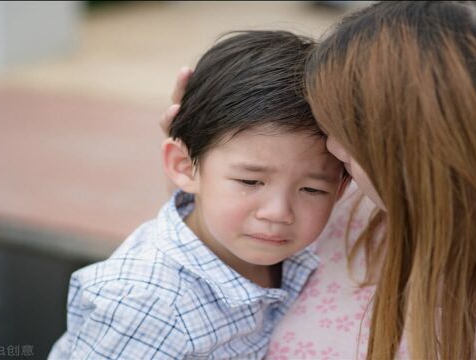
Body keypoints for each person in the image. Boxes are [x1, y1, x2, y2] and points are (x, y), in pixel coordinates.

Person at [163, 2, 476, 359]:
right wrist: (212, 161)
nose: (332, 150)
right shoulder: (349, 202)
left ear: (432, 166)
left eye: (355, 135)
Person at [49, 30, 348, 359]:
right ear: (184, 167)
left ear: (342, 187)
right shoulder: (147, 306)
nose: (279, 212)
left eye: (312, 189)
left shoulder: (295, 249)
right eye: (250, 182)